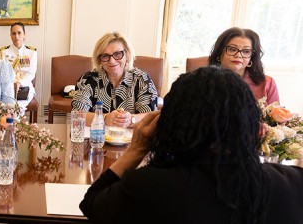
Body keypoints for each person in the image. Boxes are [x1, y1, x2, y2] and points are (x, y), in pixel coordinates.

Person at [80, 65, 303, 223]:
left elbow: (92, 204)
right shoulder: (291, 184)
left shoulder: (150, 186)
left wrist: (137, 148)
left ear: (171, 121)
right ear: (251, 125)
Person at [71, 31, 157, 126]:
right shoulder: (87, 80)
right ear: (99, 60)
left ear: (127, 56)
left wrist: (130, 119)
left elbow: (151, 116)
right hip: (96, 137)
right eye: (105, 56)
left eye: (117, 54)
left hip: (131, 137)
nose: (112, 61)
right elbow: (77, 114)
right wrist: (104, 118)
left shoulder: (142, 79)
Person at [208, 27, 279, 104]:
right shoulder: (204, 81)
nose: (239, 55)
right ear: (219, 52)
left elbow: (273, 115)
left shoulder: (267, 83)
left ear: (252, 56)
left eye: (246, 51)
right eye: (232, 49)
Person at [0, 22, 37, 113]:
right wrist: (12, 83)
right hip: (8, 87)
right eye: (13, 33)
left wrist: (19, 82)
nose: (16, 36)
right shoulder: (3, 52)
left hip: (25, 87)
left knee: (18, 107)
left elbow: (31, 73)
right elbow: (1, 73)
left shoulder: (31, 52)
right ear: (10, 35)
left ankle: (15, 125)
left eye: (19, 33)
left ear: (24, 34)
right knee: (7, 106)